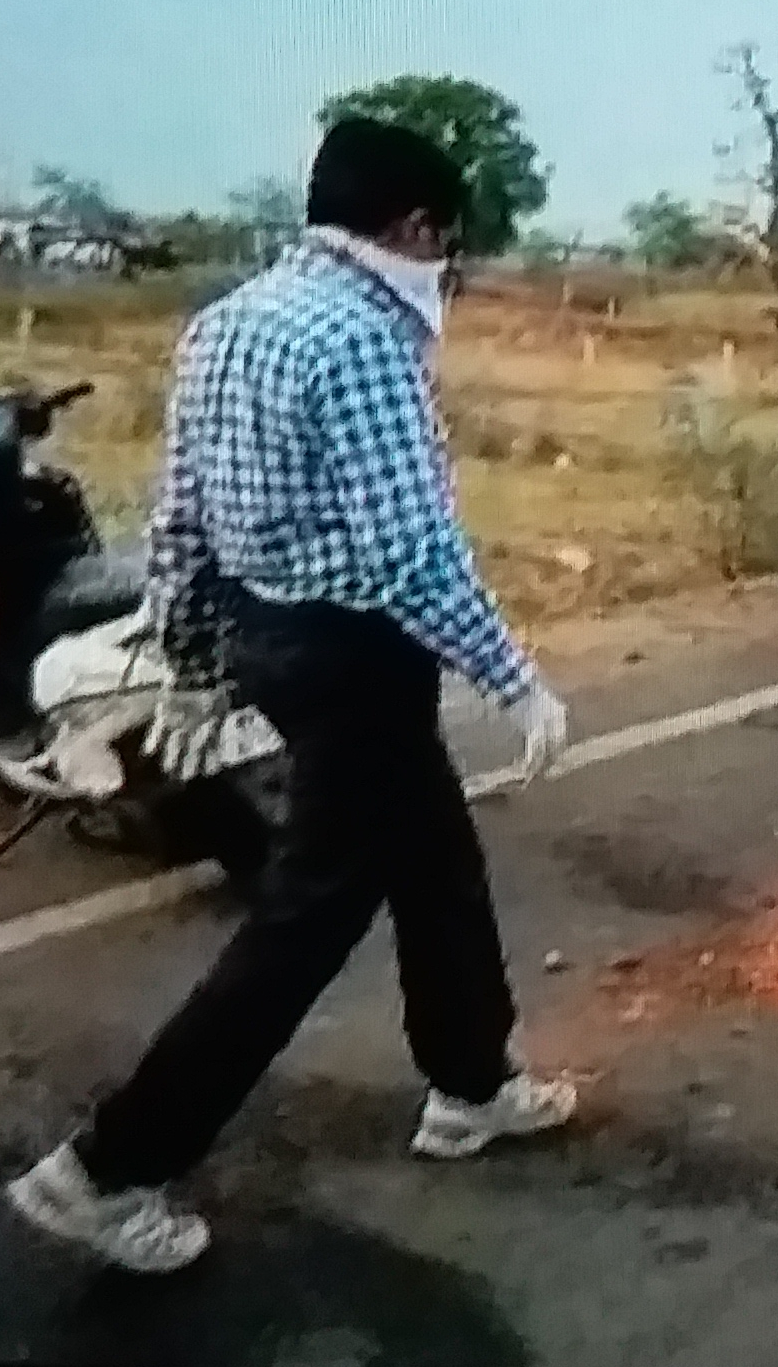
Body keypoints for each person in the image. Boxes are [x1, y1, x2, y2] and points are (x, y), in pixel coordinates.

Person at [6, 119, 576, 1274]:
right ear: (413, 228)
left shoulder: (226, 321)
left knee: (437, 860)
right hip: (355, 651)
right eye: (444, 243)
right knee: (305, 919)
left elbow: (179, 509)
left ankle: (472, 1083)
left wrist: (186, 640)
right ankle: (110, 1169)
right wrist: (515, 677)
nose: (443, 269)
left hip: (271, 636)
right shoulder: (363, 337)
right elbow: (411, 550)